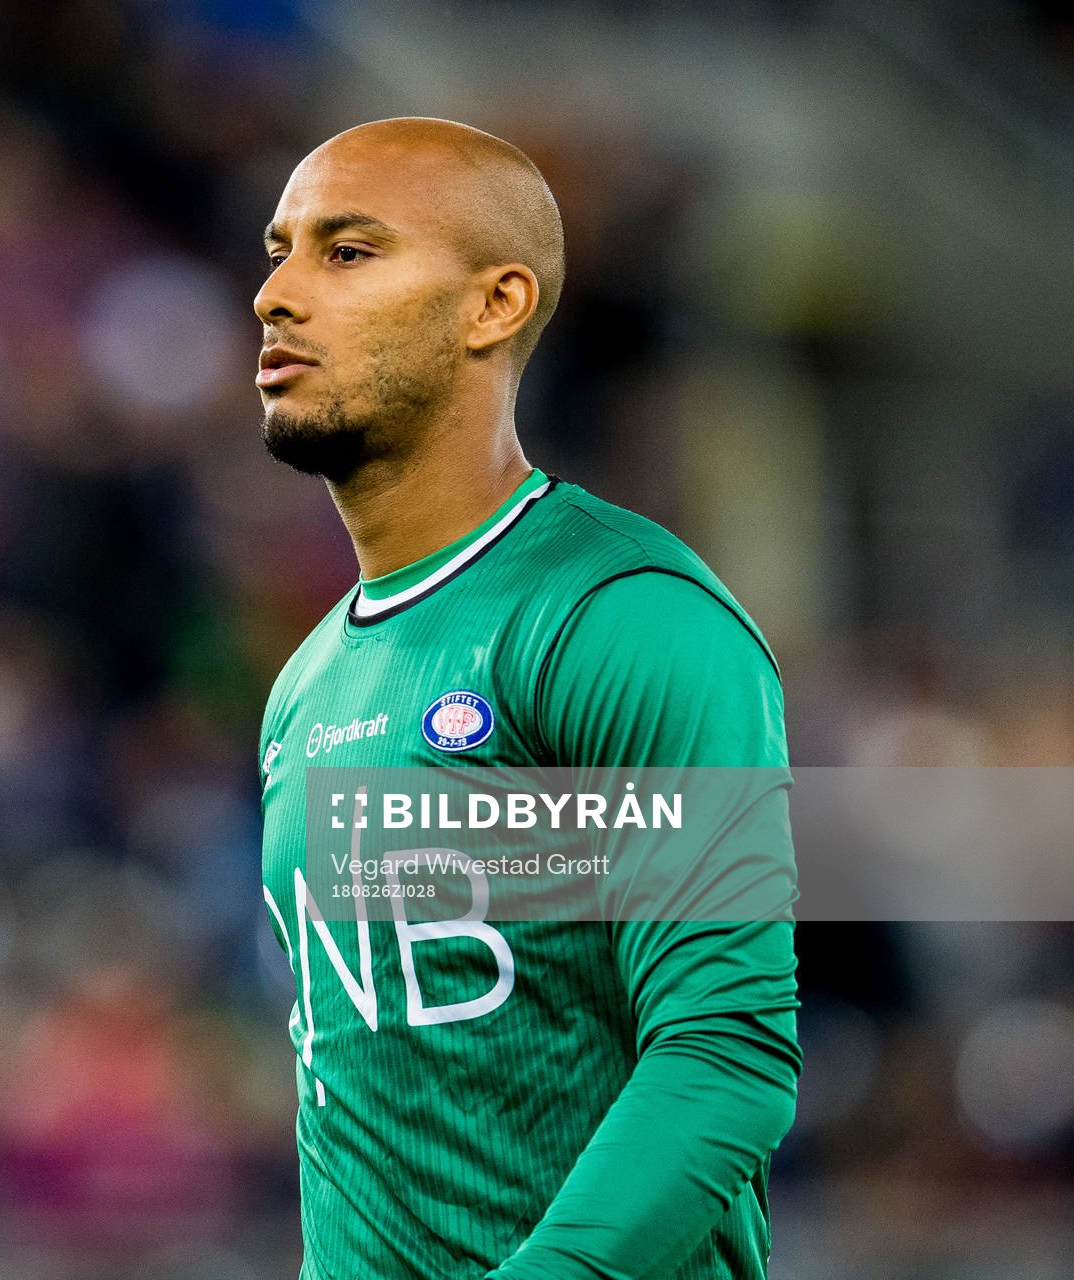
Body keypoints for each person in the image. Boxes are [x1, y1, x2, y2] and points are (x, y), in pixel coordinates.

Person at [254, 118, 801, 1279]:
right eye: (278, 249)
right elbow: (360, 1124)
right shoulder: (307, 686)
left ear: (493, 305)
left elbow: (724, 1058)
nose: (277, 294)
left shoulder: (620, 615)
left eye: (347, 252)